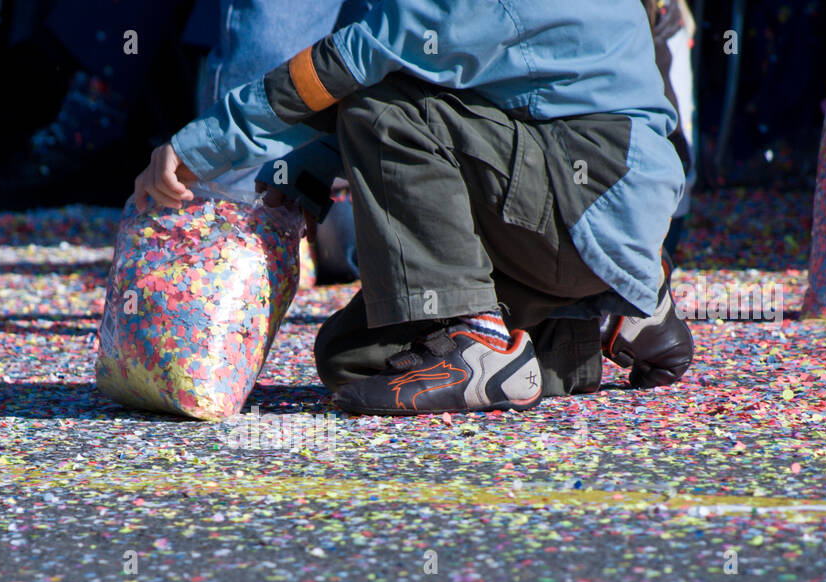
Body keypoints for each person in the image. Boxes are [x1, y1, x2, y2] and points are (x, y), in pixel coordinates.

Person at [134, 0, 694, 415]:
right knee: (351, 356)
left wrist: (195, 147)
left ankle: (480, 342)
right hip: (579, 215)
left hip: (585, 200)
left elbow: (355, 64)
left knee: (382, 112)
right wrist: (301, 180)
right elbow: (410, 69)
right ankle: (596, 325)